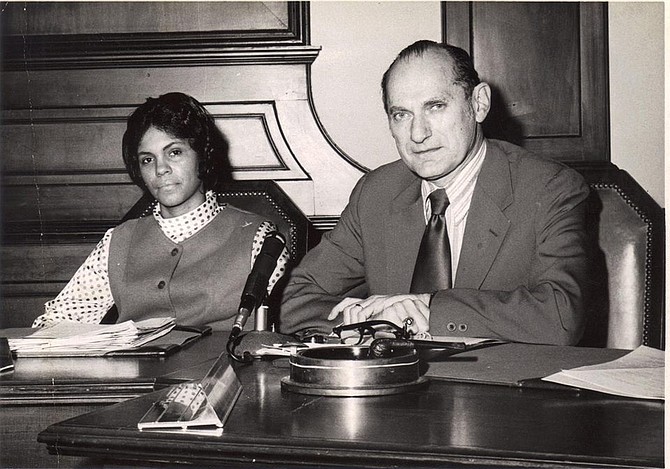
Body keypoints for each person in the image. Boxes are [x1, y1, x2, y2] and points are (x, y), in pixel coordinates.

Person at [279, 40, 589, 345]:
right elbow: (297, 300)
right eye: (401, 114)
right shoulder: (376, 193)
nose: (418, 134)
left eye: (435, 107)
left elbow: (562, 317)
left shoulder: (548, 187)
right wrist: (373, 321)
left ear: (479, 103)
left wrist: (428, 309)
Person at [33, 92, 288, 331]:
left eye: (174, 153)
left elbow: (277, 332)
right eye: (147, 159)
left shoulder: (259, 238)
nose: (160, 169)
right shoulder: (117, 242)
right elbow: (55, 325)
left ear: (203, 155)